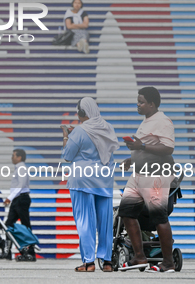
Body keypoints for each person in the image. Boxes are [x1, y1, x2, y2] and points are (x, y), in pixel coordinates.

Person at [119, 87, 176, 273]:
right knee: (126, 212)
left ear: (152, 104)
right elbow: (144, 148)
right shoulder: (146, 121)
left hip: (155, 176)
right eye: (138, 101)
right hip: (138, 175)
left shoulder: (163, 121)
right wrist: (131, 158)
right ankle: (139, 257)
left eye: (141, 101)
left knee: (159, 216)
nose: (138, 104)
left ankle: (168, 262)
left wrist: (141, 145)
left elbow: (168, 148)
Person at [61, 97, 119, 272]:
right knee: (106, 223)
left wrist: (66, 136)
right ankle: (107, 262)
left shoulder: (79, 131)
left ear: (82, 112)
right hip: (104, 179)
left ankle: (89, 262)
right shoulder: (108, 128)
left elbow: (68, 155)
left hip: (82, 179)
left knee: (85, 220)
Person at [0, 148, 36, 262]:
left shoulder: (21, 168)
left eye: (13, 156)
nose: (12, 158)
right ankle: (7, 252)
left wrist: (9, 197)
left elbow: (21, 185)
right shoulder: (19, 168)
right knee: (8, 225)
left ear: (19, 157)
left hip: (21, 199)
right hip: (18, 199)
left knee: (25, 225)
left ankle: (30, 253)